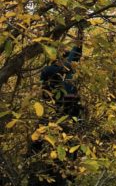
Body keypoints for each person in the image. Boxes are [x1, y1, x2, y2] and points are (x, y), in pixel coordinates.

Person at [28, 26, 85, 185]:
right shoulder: (65, 66)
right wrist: (81, 30)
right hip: (67, 111)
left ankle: (47, 171)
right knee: (68, 145)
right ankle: (65, 174)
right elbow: (78, 46)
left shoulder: (48, 70)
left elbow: (43, 93)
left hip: (54, 112)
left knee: (45, 144)